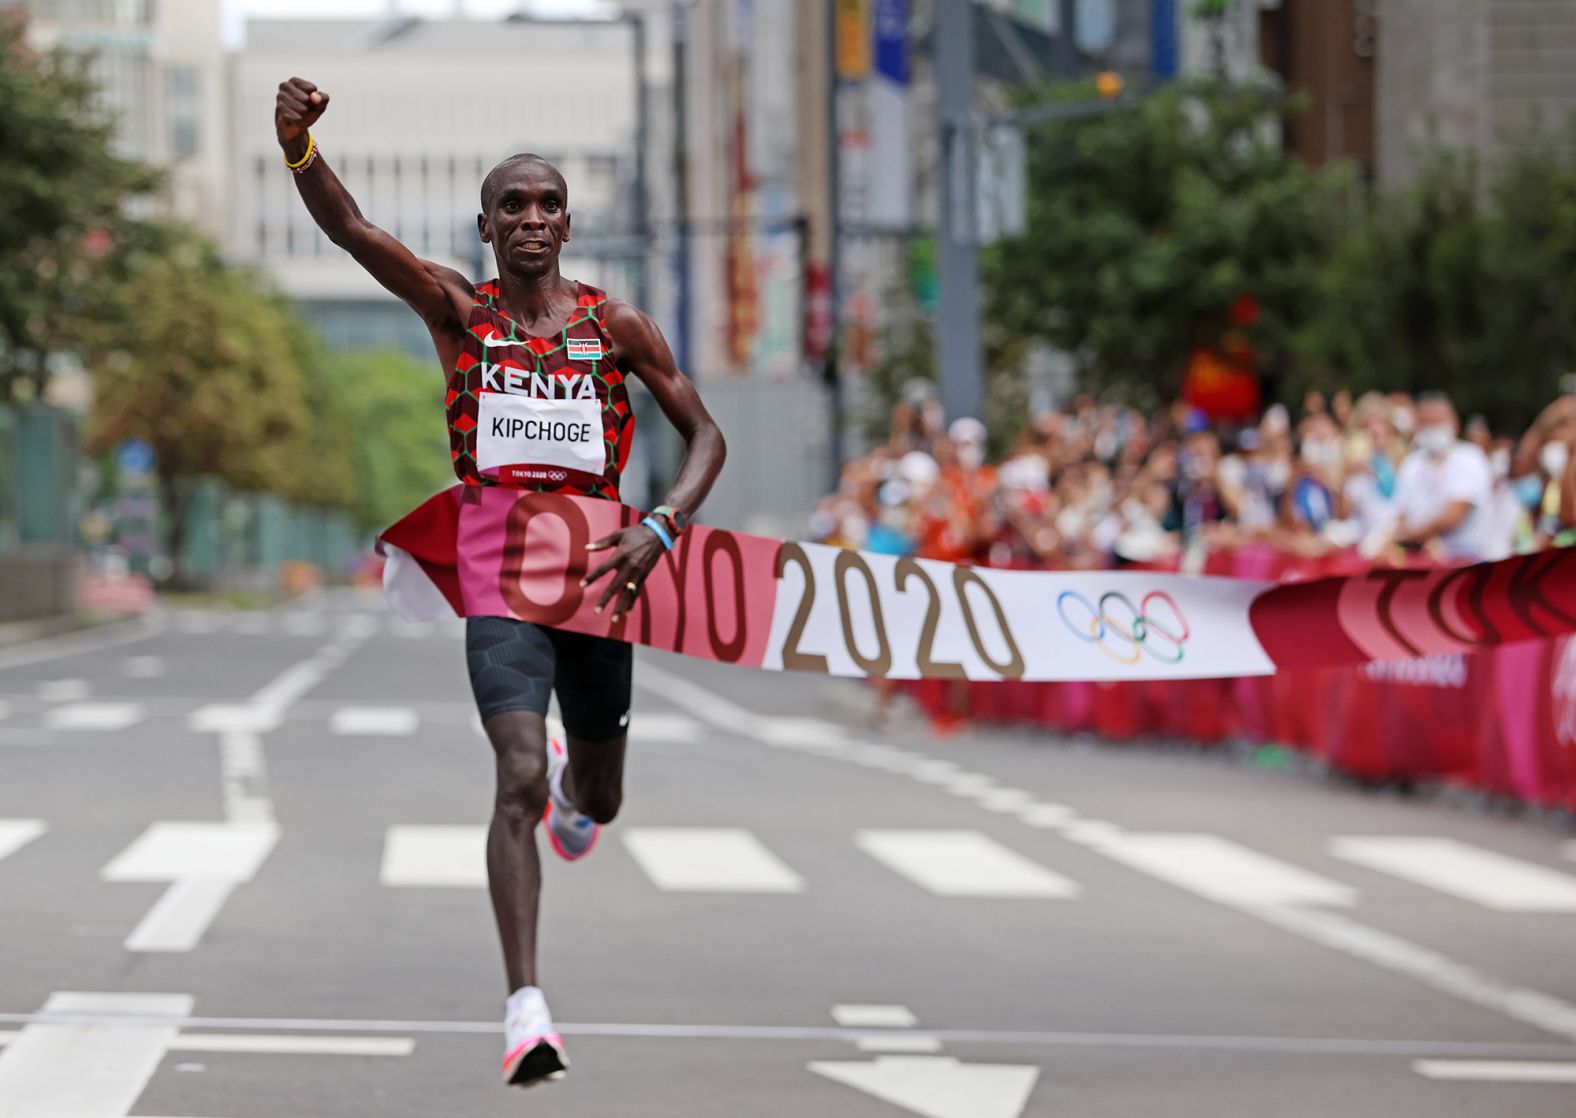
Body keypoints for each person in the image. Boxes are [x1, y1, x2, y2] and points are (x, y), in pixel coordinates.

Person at [274, 78, 727, 1088]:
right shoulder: (459, 310)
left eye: (547, 203)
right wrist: (298, 146)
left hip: (602, 578)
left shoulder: (620, 329)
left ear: (568, 222)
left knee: (593, 798)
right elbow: (352, 229)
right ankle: (526, 1006)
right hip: (500, 575)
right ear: (485, 226)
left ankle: (581, 790)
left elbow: (705, 434)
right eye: (511, 206)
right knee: (514, 773)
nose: (530, 218)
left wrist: (661, 524)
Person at [1390, 393, 1491, 561]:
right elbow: (1400, 512)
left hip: (1465, 557)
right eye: (1426, 423)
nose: (1432, 429)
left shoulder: (1471, 458)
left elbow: (1454, 515)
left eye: (1437, 422)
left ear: (1454, 423)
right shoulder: (1412, 463)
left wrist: (1414, 536)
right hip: (1420, 556)